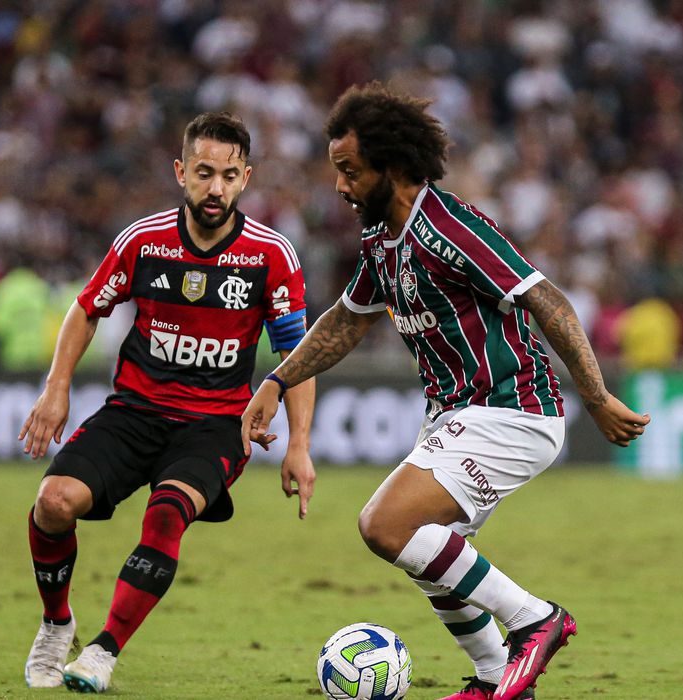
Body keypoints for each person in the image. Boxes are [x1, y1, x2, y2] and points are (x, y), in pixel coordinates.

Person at [241, 83, 649, 700]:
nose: (340, 187)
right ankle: (492, 678)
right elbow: (348, 320)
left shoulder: (450, 227)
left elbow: (547, 300)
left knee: (385, 525)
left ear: (393, 167)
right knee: (431, 554)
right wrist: (278, 379)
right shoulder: (383, 240)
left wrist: (594, 396)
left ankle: (535, 621)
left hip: (512, 409)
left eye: (350, 172)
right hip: (457, 416)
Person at [19, 112, 315, 693]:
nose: (216, 188)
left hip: (216, 425)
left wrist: (299, 444)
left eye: (229, 176)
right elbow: (86, 309)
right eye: (204, 173)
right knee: (54, 502)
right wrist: (56, 388)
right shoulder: (143, 241)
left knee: (168, 512)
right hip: (134, 412)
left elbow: (297, 355)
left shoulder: (270, 255)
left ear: (246, 178)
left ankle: (103, 650)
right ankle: (57, 625)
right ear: (181, 172)